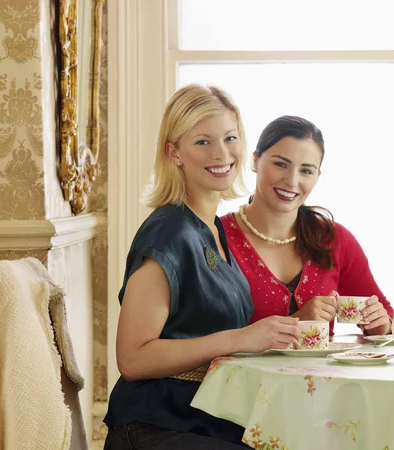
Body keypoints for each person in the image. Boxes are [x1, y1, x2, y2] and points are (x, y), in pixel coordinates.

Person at [103, 85, 301, 450]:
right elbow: (131, 358)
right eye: (203, 142)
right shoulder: (168, 233)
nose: (222, 153)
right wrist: (240, 339)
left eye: (230, 138)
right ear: (173, 153)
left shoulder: (213, 229)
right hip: (154, 428)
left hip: (205, 421)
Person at [221, 116, 394, 336]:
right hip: (237, 372)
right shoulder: (217, 237)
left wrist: (380, 324)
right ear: (255, 161)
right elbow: (206, 334)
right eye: (281, 164)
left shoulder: (333, 238)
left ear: (317, 176)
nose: (292, 181)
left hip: (325, 372)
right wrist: (297, 321)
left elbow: (385, 315)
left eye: (306, 171)